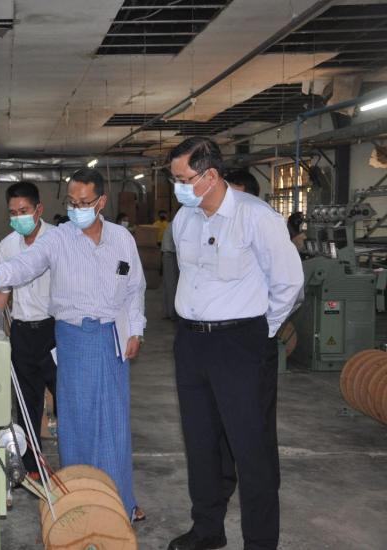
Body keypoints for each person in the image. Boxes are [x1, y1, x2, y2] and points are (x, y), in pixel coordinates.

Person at [0, 168, 147, 522]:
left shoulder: (122, 239)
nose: (76, 209)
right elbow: (25, 264)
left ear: (101, 202)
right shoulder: (59, 239)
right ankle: (82, 504)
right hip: (72, 339)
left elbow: (135, 287)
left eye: (84, 202)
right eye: (71, 202)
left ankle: (121, 503)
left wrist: (136, 329)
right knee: (76, 424)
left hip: (113, 337)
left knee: (113, 424)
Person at [166, 137, 303, 550]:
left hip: (241, 344)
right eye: (174, 179)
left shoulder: (255, 217)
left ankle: (260, 541)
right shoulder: (185, 218)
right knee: (201, 444)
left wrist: (261, 330)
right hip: (192, 344)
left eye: (183, 179)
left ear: (210, 175)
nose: (178, 187)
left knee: (252, 448)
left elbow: (289, 283)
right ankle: (207, 529)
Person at [0, 182, 57, 480]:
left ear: (38, 209)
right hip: (22, 333)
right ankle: (32, 466)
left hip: (55, 331)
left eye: (24, 211)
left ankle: (76, 463)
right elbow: (1, 293)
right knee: (26, 403)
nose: (18, 217)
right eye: (13, 212)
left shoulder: (57, 240)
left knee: (65, 398)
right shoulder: (8, 245)